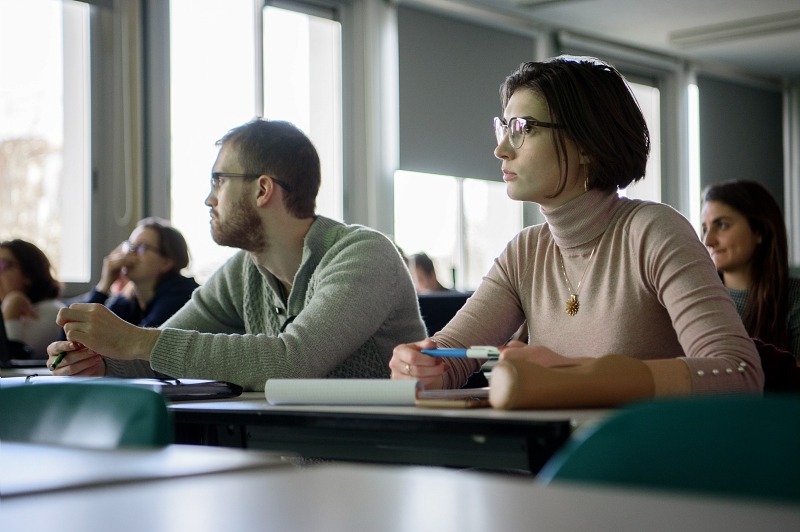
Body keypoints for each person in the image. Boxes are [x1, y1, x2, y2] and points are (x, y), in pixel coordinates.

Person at [390, 56, 763, 408]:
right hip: (548, 463)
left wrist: (574, 375)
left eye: (524, 129)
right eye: (504, 128)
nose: (501, 149)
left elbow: (738, 373)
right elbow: (450, 357)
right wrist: (422, 367)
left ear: (586, 144)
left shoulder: (653, 231)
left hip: (642, 465)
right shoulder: (525, 251)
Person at [47, 118, 426, 390]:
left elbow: (292, 361)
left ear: (263, 190)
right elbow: (160, 350)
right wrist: (99, 360)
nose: (209, 198)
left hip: (381, 478)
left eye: (219, 180)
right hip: (285, 480)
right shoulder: (242, 272)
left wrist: (135, 341)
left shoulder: (365, 255)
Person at [701, 180, 800, 361]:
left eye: (722, 225)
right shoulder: (699, 300)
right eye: (705, 229)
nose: (708, 241)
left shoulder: (794, 298)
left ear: (759, 231)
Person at [75, 217, 199, 328]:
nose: (129, 254)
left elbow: (142, 346)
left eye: (141, 248)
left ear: (166, 262)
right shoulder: (129, 301)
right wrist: (103, 286)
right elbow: (73, 335)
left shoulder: (182, 296)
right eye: (130, 246)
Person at [0, 239, 64, 357]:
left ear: (29, 274)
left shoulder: (52, 312)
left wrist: (10, 311)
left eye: (2, 265)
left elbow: (9, 362)